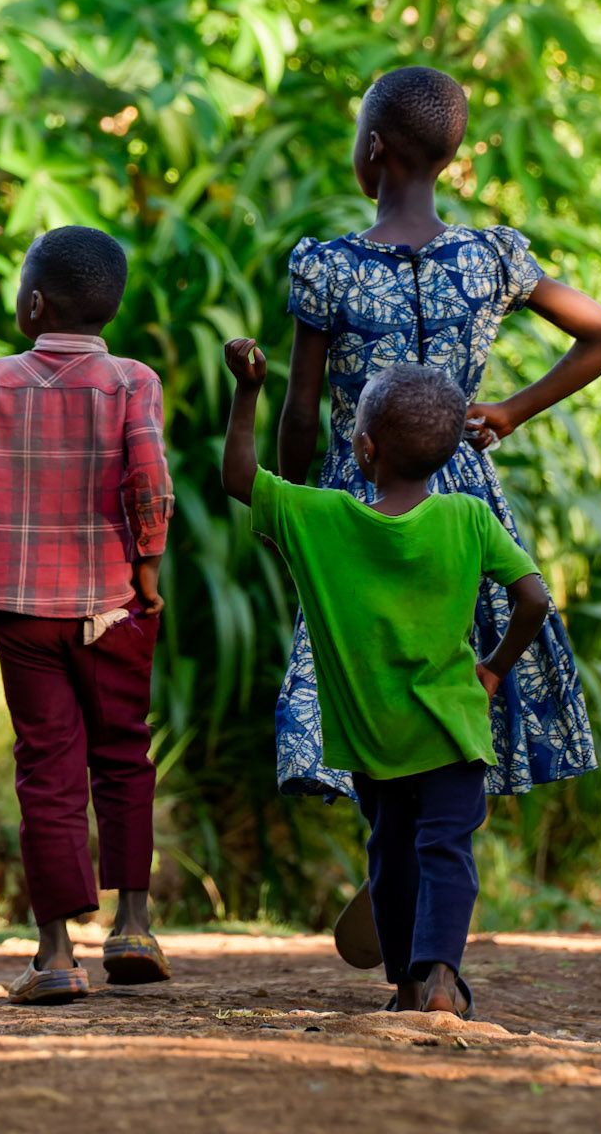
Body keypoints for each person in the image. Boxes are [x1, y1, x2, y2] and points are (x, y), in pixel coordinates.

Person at [274, 65, 601, 805]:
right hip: (460, 493)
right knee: (452, 663)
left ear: (374, 146)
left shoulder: (329, 269)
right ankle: (438, 838)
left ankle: (387, 843)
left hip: (360, 495)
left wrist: (292, 509)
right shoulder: (488, 259)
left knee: (363, 670)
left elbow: (301, 412)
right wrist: (511, 411)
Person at [223, 340, 551, 1017]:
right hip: (452, 726)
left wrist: (249, 388)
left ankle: (404, 987)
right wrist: (493, 668)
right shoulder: (468, 516)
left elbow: (240, 478)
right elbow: (534, 599)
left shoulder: (318, 518)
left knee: (392, 856)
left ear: (365, 449)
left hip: (374, 737)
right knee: (446, 850)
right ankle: (441, 980)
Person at [0, 225, 174, 1007]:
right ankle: (131, 927)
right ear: (112, 307)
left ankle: (56, 952)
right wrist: (145, 563)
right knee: (123, 757)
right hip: (115, 608)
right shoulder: (132, 380)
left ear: (34, 304)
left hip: (21, 608)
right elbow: (149, 476)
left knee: (47, 770)